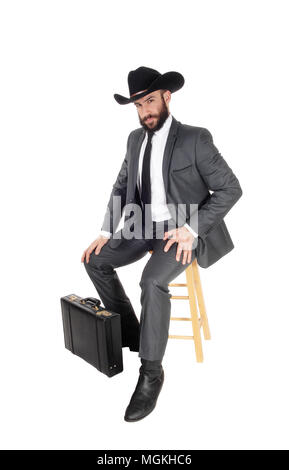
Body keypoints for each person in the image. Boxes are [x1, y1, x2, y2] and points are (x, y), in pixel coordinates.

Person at [81, 66, 242, 422]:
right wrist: (107, 231)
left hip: (180, 232)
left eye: (150, 102)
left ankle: (151, 372)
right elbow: (122, 186)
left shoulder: (195, 139)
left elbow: (231, 189)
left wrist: (192, 228)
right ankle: (134, 331)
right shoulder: (134, 139)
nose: (145, 112)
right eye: (138, 106)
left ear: (166, 97)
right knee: (94, 260)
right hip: (141, 226)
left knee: (151, 282)